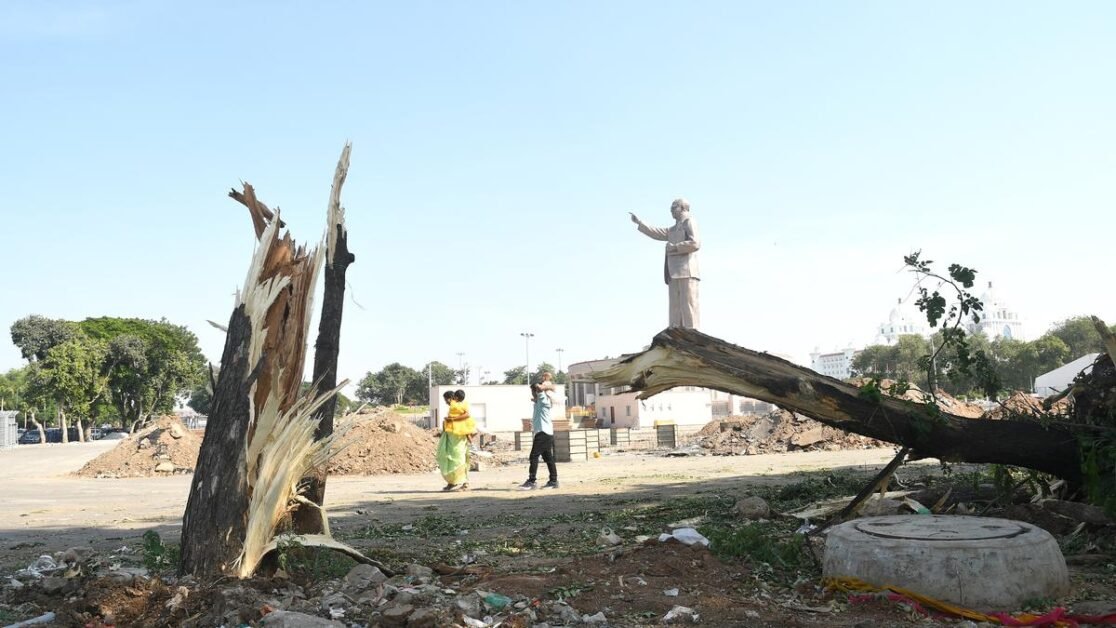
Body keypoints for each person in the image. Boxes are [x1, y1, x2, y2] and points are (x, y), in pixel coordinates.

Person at [629, 198, 701, 329]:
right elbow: (656, 233)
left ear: (683, 208)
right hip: (673, 272)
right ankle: (675, 332)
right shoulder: (672, 229)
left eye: (674, 207)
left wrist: (675, 247)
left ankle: (692, 334)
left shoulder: (689, 222)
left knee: (688, 304)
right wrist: (639, 222)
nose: (671, 210)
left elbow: (695, 243)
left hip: (687, 271)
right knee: (675, 306)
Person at [520, 380, 559, 490]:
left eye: (533, 391)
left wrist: (544, 386)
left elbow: (539, 388)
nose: (532, 393)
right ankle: (553, 481)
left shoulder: (542, 399)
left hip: (543, 433)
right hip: (544, 433)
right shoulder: (539, 401)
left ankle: (532, 481)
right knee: (548, 457)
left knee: (534, 456)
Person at [437, 389, 474, 491]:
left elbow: (467, 418)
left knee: (459, 460)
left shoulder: (460, 408)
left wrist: (452, 420)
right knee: (447, 458)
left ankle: (464, 483)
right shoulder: (453, 410)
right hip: (450, 437)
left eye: (446, 400)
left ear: (452, 398)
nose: (446, 402)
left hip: (458, 439)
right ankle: (452, 482)